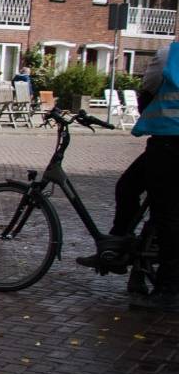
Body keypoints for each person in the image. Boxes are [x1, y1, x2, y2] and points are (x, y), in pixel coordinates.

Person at [76, 42, 179, 311]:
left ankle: (168, 289)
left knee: (165, 214)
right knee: (129, 186)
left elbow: (149, 86)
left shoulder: (170, 56)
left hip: (168, 144)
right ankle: (117, 245)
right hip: (166, 145)